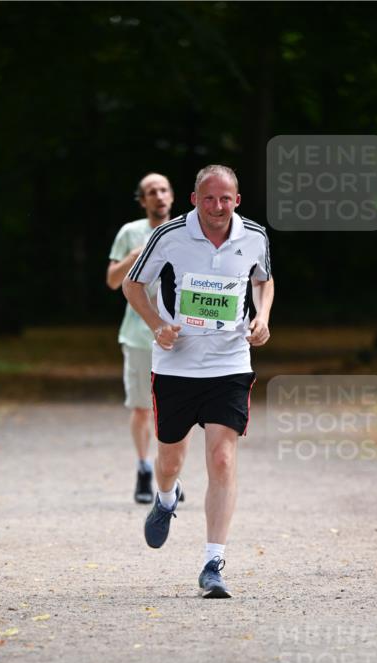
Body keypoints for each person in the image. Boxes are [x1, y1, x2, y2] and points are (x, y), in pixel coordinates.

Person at [122, 164, 274, 598]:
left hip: (230, 362)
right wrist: (156, 325)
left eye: (225, 198)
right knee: (168, 461)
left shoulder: (255, 237)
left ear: (237, 201)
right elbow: (134, 287)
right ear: (194, 199)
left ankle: (213, 563)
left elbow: (264, 281)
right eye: (209, 198)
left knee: (223, 459)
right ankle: (166, 497)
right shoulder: (169, 236)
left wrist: (262, 318)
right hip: (176, 365)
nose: (217, 206)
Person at [107, 173, 175, 504]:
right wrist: (133, 258)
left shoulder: (186, 232)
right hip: (137, 335)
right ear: (143, 200)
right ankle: (144, 467)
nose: (159, 196)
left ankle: (170, 473)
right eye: (152, 192)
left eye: (163, 190)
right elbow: (111, 280)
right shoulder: (129, 233)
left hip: (178, 334)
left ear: (173, 196)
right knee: (142, 408)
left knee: (175, 408)